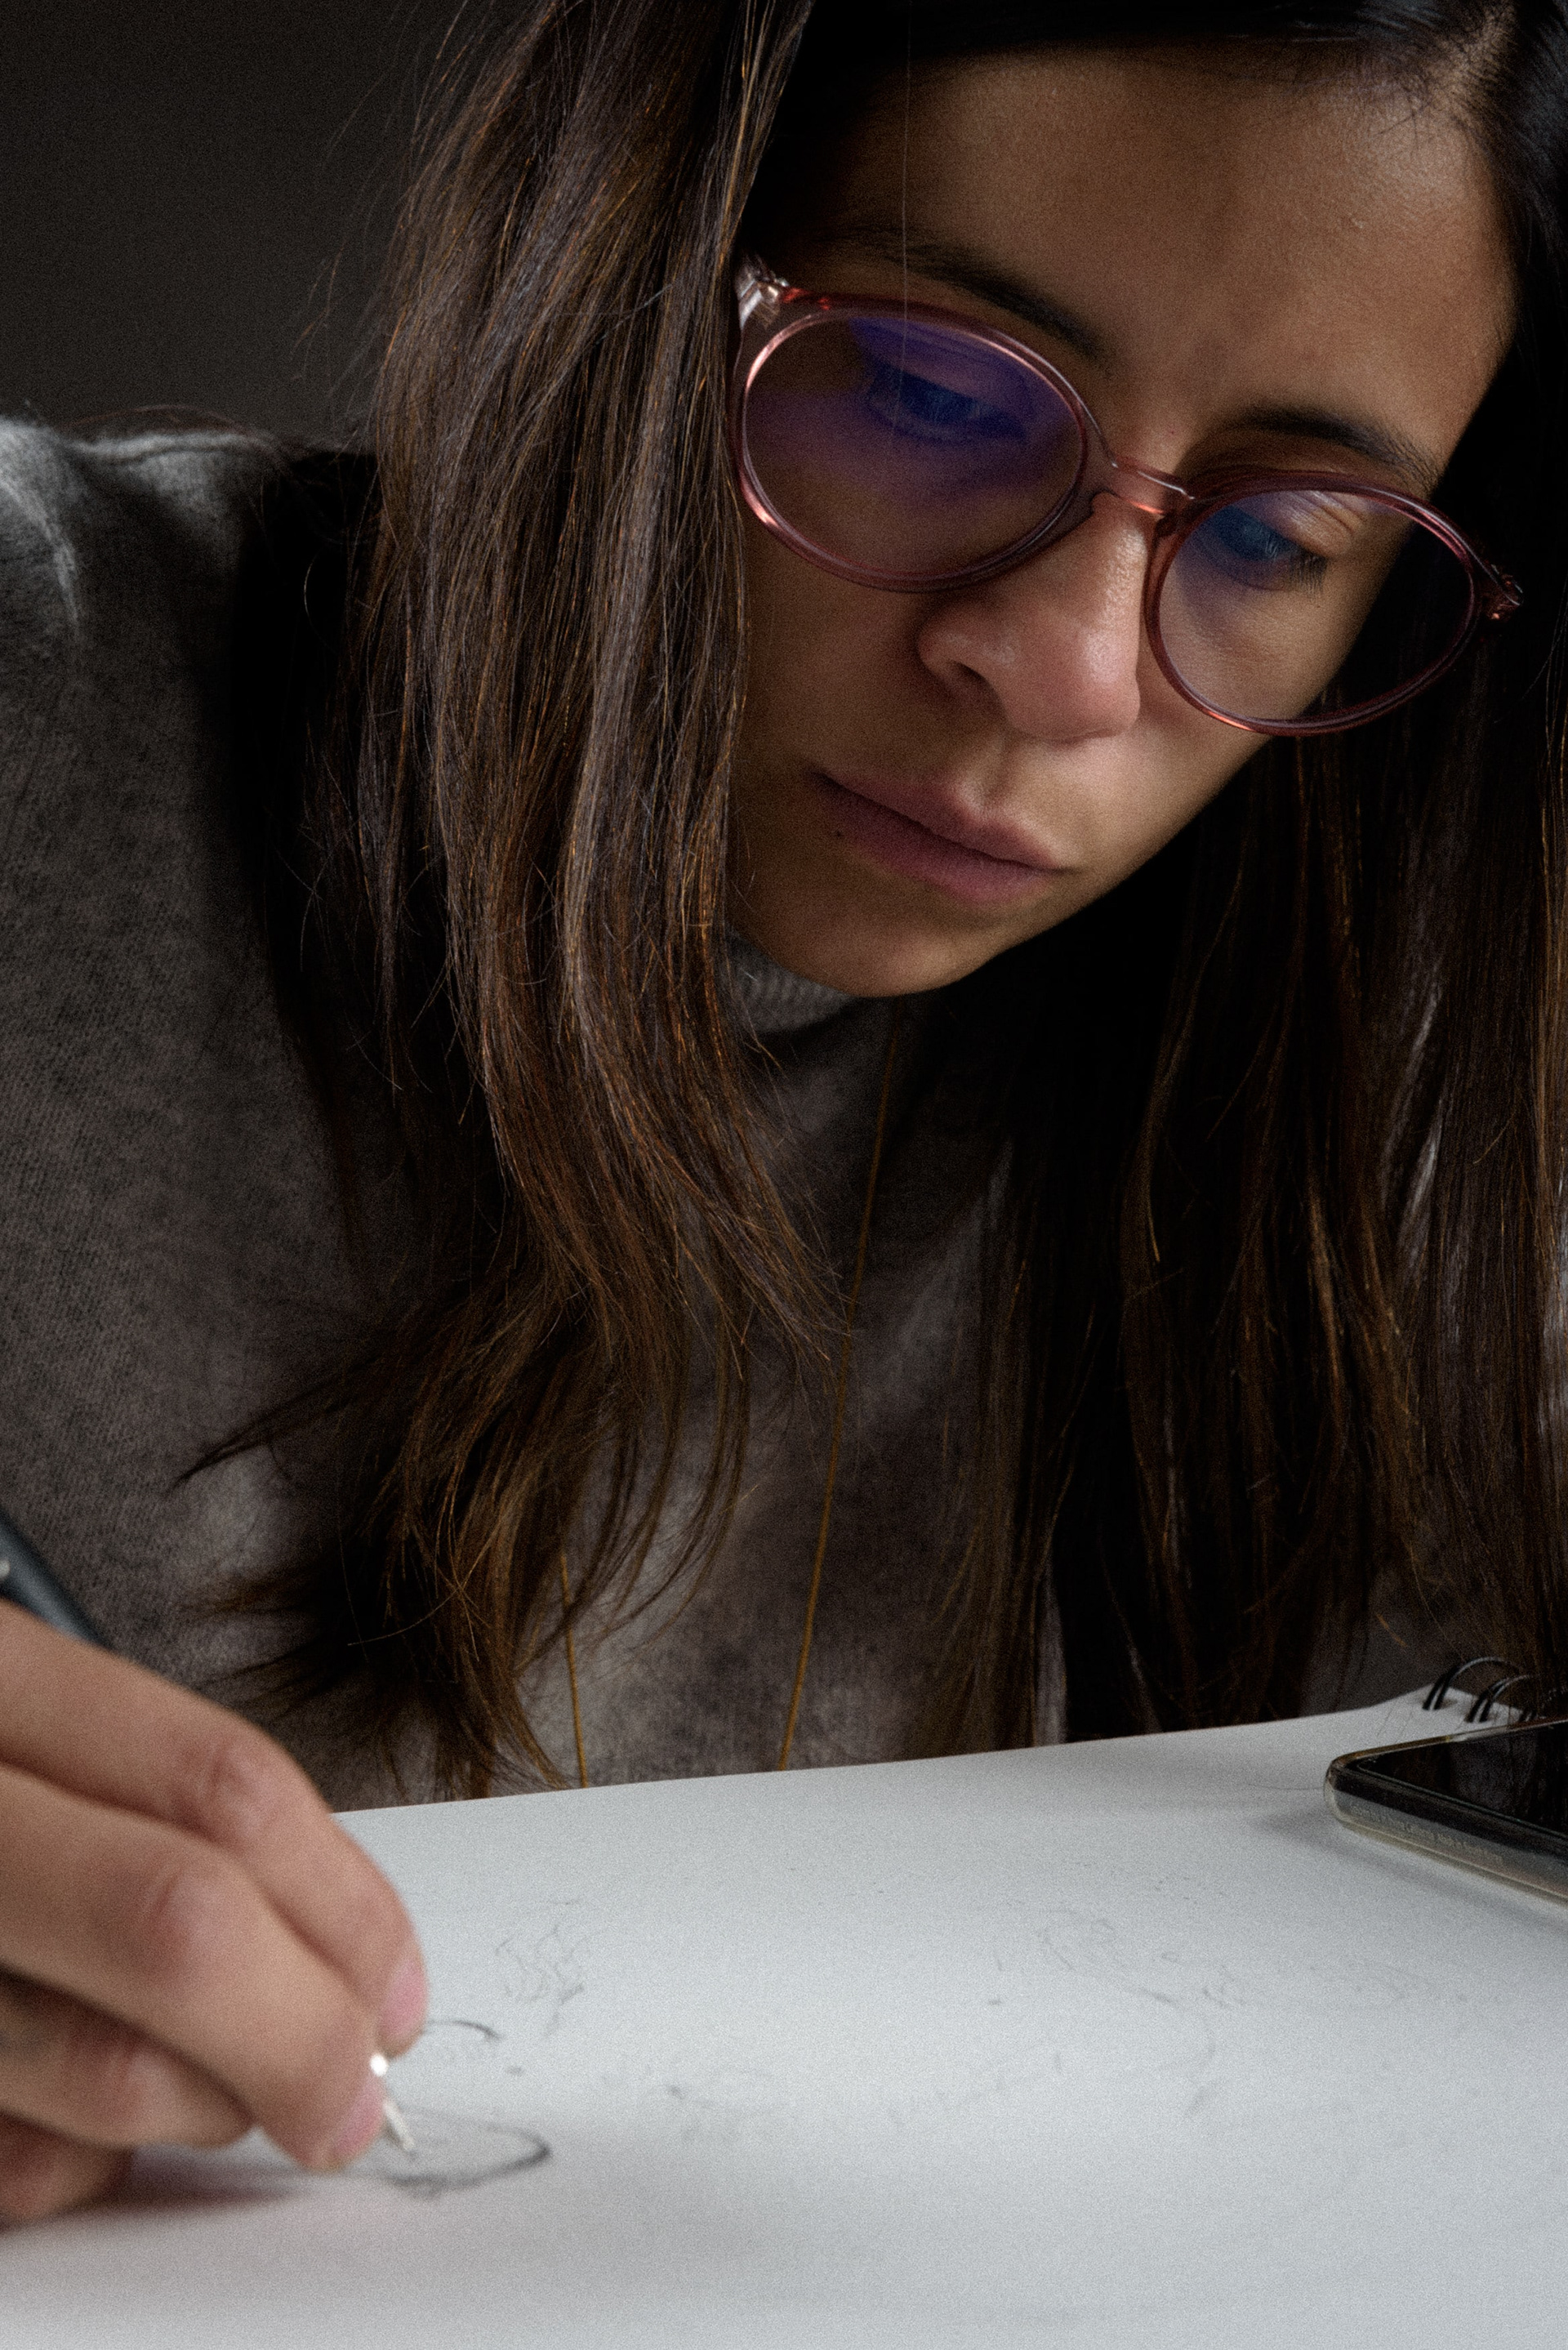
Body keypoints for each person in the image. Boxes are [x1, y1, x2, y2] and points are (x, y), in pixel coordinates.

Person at [0, 0, 1557, 2222]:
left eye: (1285, 535)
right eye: (930, 396)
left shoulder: (1434, 1047)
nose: (1068, 669)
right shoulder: (44, 690)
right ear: (621, 266)